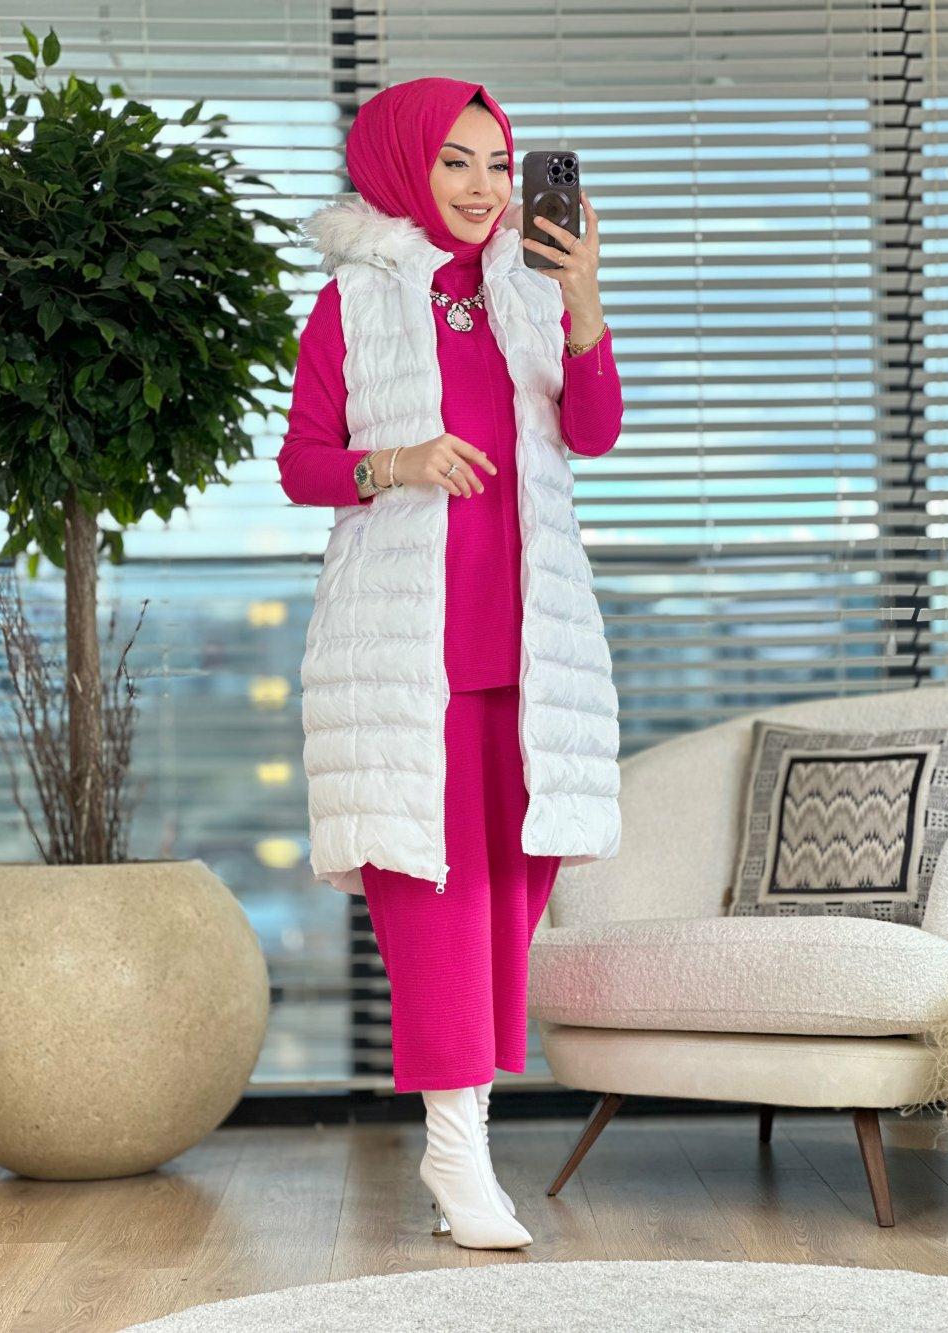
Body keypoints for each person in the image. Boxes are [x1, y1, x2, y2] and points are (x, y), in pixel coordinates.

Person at [277, 77, 623, 1251]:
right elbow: (304, 464)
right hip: (405, 657)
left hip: (534, 654)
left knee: (508, 903)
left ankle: (459, 1133)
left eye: (498, 163)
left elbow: (593, 431)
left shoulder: (532, 286)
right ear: (403, 166)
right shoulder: (354, 299)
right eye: (456, 162)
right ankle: (458, 1154)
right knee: (432, 910)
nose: (482, 187)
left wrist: (582, 299)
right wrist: (399, 461)